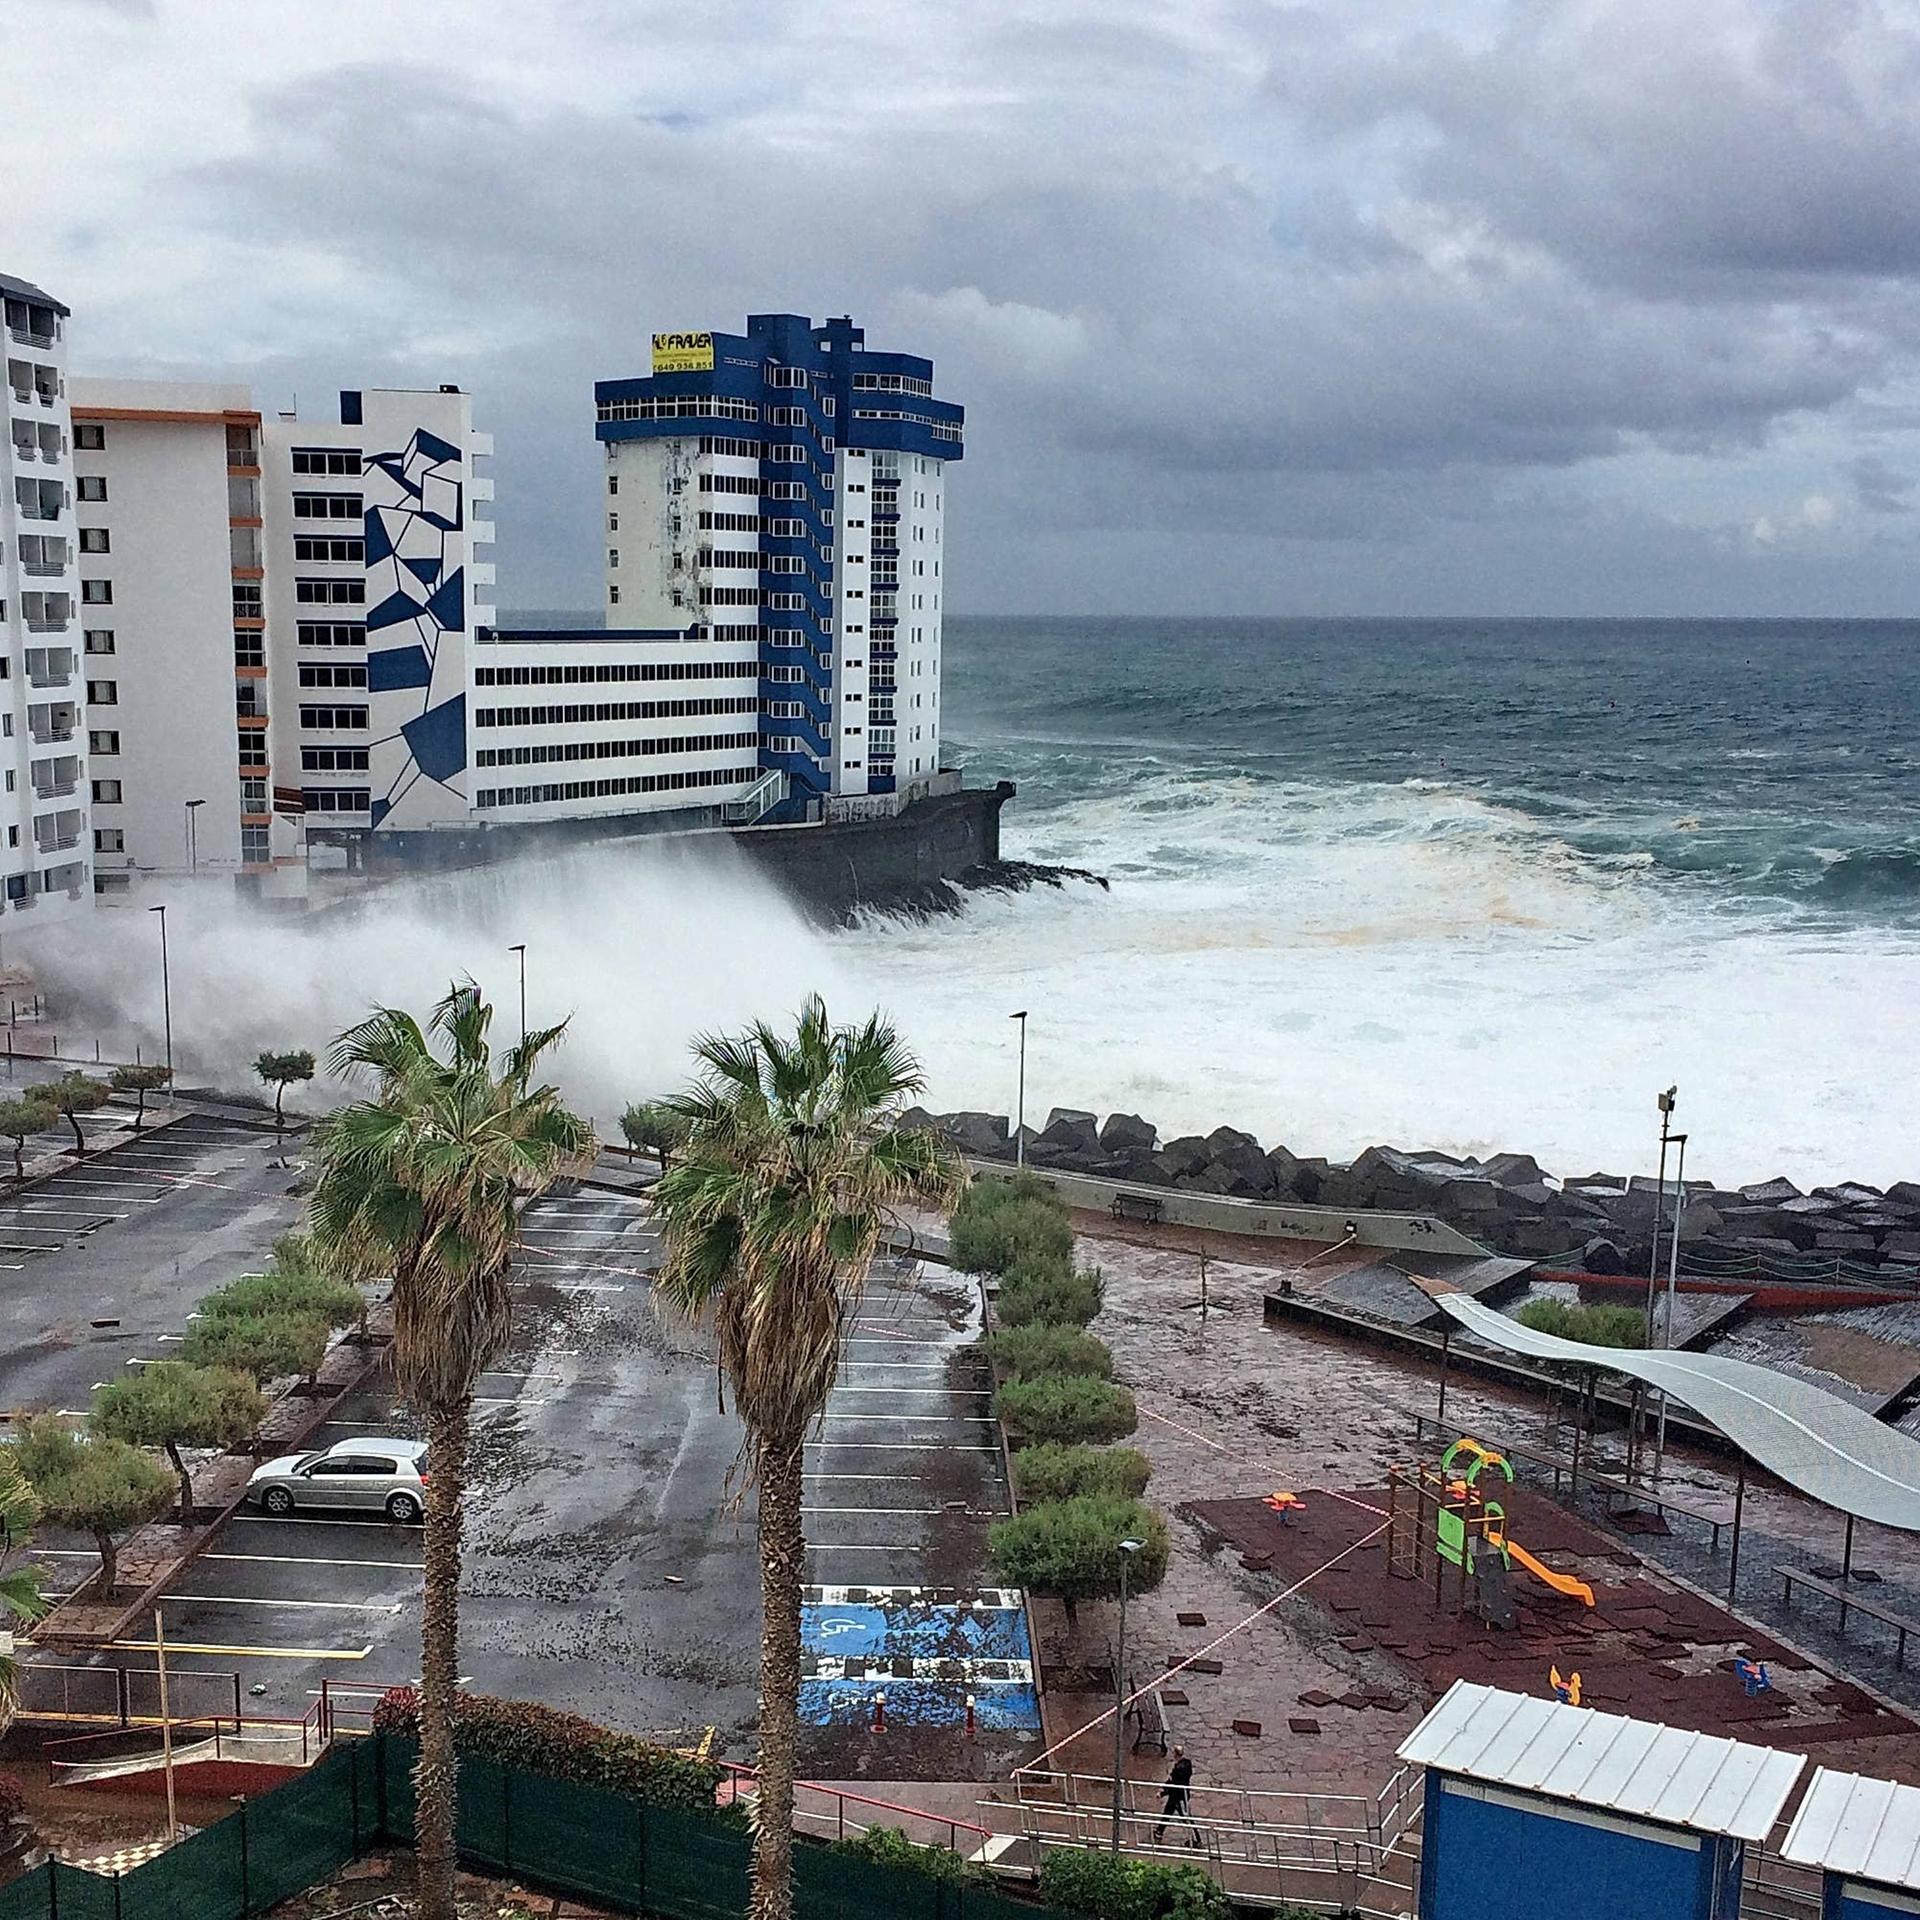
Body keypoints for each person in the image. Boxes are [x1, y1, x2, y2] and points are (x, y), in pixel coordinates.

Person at [1152, 1745, 1199, 1847]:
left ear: (1175, 1754)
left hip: (1178, 1796)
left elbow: (1173, 1783)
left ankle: (1196, 1838)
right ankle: (1159, 1831)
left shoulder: (1178, 1769)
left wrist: (1162, 1792)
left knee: (1185, 1816)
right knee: (1168, 1812)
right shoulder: (1187, 1764)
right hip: (1181, 1794)